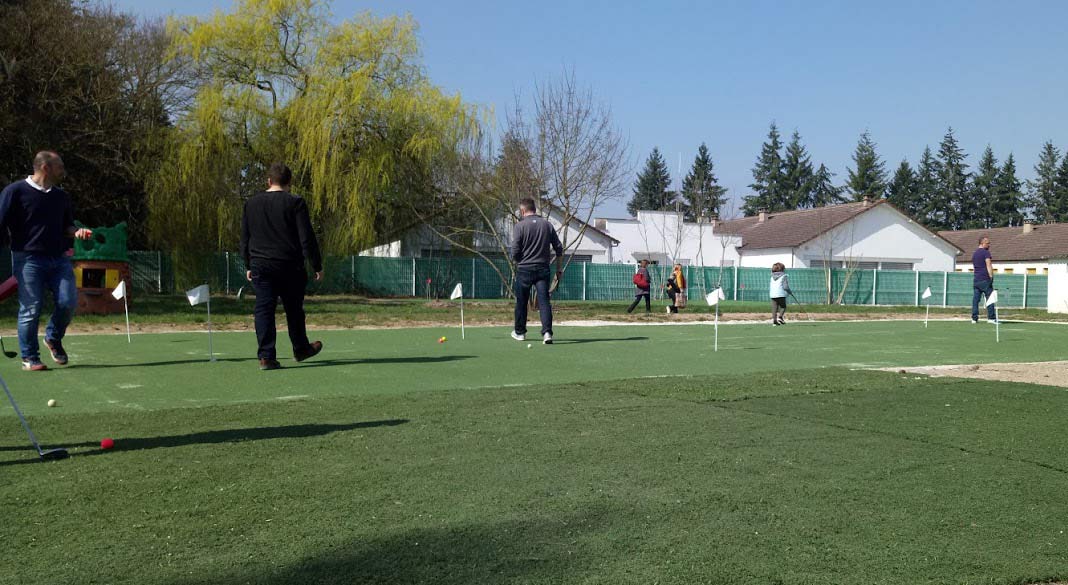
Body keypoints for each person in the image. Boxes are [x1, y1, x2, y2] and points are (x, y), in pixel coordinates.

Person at [0, 151, 93, 371]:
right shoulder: (14, 191)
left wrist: (77, 232)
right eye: (60, 166)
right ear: (46, 167)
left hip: (59, 258)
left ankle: (52, 338)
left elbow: (66, 226)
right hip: (27, 258)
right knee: (31, 308)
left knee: (68, 302)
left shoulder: (61, 196)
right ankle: (30, 357)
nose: (63, 170)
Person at [240, 162, 324, 370]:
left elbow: (245, 238)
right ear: (290, 182)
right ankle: (301, 348)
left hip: (260, 264)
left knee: (264, 309)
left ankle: (266, 356)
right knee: (294, 309)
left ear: (268, 181)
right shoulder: (295, 202)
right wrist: (316, 265)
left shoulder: (251, 204)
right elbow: (306, 237)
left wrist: (248, 264)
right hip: (289, 265)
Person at [510, 197, 563, 344]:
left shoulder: (519, 226)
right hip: (543, 269)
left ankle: (520, 332)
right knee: (544, 301)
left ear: (522, 210)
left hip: (525, 269)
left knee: (521, 301)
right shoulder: (547, 225)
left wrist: (518, 260)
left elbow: (515, 250)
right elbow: (559, 248)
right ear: (534, 209)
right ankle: (547, 333)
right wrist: (559, 268)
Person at [971, 236, 997, 324]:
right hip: (985, 279)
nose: (989, 245)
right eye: (987, 243)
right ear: (982, 243)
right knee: (990, 298)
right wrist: (991, 276)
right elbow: (988, 265)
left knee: (975, 300)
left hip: (976, 279)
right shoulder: (986, 253)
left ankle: (974, 318)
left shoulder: (974, 253)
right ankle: (991, 318)